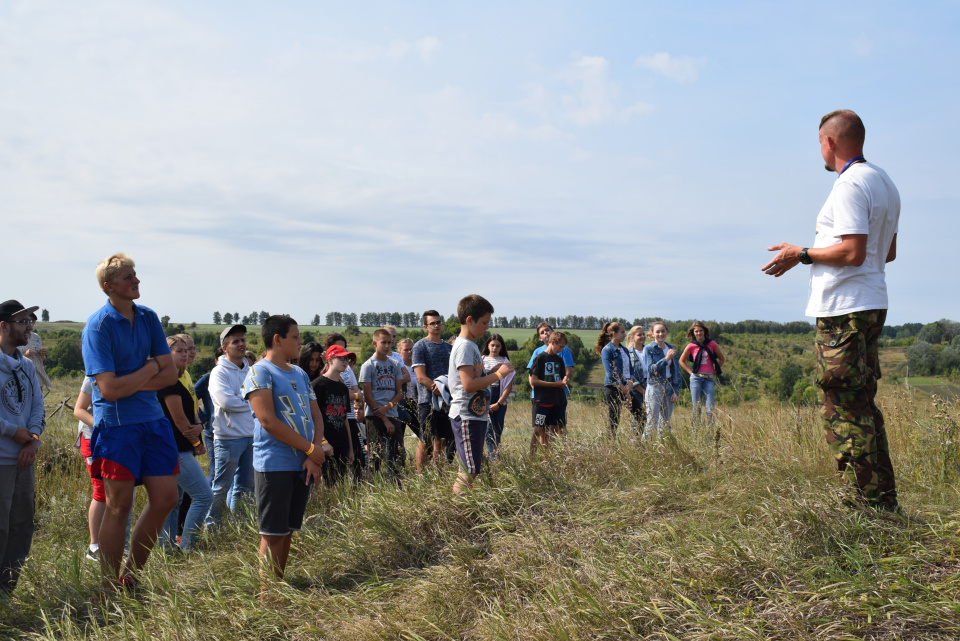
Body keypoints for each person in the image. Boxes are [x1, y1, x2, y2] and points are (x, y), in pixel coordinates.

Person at [762, 109, 901, 511]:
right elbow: (885, 252)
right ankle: (883, 501)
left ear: (830, 142)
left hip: (845, 310)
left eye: (820, 144)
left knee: (843, 408)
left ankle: (865, 506)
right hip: (872, 303)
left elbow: (854, 252)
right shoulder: (883, 181)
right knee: (863, 405)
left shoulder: (849, 184)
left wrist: (801, 253)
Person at [80, 255, 180, 590]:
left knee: (166, 498)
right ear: (109, 286)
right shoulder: (98, 327)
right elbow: (108, 390)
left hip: (152, 421)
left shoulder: (148, 317)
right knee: (119, 505)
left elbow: (171, 372)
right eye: (128, 277)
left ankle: (131, 575)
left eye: (135, 275)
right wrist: (150, 368)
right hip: (118, 427)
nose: (136, 281)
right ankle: (108, 587)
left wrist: (133, 381)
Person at [242, 315, 332, 586]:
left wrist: (313, 454)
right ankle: (267, 595)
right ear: (277, 339)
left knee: (289, 529)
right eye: (295, 336)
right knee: (272, 533)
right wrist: (310, 449)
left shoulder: (301, 374)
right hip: (274, 464)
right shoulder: (260, 371)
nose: (300, 341)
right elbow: (268, 420)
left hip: (304, 462)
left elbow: (316, 416)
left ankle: (278, 585)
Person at [447, 295, 513, 494]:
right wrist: (500, 375)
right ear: (469, 320)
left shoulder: (470, 345)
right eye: (484, 323)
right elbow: (468, 385)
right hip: (467, 416)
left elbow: (475, 377)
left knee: (467, 468)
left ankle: (460, 509)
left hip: (473, 415)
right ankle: (456, 513)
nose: (486, 328)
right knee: (469, 471)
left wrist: (493, 373)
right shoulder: (465, 346)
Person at [0, 300, 44, 595]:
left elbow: (38, 407)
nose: (29, 327)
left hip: (24, 459)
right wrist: (11, 430)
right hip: (1, 460)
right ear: (3, 326)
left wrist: (33, 439)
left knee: (21, 526)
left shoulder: (27, 365)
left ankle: (6, 592)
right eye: (22, 321)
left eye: (31, 321)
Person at [157, 337, 213, 551]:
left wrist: (198, 427)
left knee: (174, 500)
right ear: (166, 354)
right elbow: (180, 421)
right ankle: (188, 545)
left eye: (188, 349)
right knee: (203, 495)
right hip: (174, 448)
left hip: (178, 447)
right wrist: (197, 440)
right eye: (179, 350)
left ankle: (167, 548)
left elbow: (192, 410)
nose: (185, 354)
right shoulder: (168, 380)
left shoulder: (180, 377)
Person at [207, 324, 255, 527]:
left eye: (242, 340)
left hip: (251, 436)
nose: (241, 344)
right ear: (225, 348)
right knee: (221, 486)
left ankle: (240, 527)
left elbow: (260, 397)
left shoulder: (252, 370)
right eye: (235, 341)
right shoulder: (218, 373)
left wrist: (243, 400)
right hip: (228, 438)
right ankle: (212, 527)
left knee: (246, 486)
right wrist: (252, 403)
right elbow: (226, 402)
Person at [359, 329, 405, 480]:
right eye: (383, 342)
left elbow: (400, 393)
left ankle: (396, 486)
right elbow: (367, 395)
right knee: (375, 456)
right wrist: (384, 417)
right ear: (375, 343)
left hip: (392, 413)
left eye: (389, 342)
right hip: (374, 415)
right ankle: (372, 489)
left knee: (398, 454)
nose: (387, 346)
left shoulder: (395, 364)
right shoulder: (368, 365)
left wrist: (388, 407)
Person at [411, 310, 453, 472]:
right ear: (425, 326)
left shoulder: (449, 347)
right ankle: (422, 475)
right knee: (425, 438)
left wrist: (447, 393)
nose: (436, 325)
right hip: (427, 400)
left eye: (439, 322)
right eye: (432, 323)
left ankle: (438, 473)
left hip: (447, 400)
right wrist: (439, 389)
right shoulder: (420, 346)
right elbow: (420, 377)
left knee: (441, 438)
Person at [311, 345, 356, 485]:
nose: (345, 362)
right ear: (329, 359)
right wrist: (323, 442)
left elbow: (345, 419)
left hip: (341, 442)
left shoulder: (343, 388)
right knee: (325, 483)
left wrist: (350, 448)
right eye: (341, 358)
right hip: (325, 444)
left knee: (339, 484)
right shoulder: (318, 385)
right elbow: (312, 417)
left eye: (347, 359)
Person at [526, 323, 575, 448]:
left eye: (547, 330)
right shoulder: (538, 355)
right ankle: (532, 457)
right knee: (539, 429)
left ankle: (549, 455)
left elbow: (566, 373)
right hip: (541, 399)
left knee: (555, 428)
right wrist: (542, 390)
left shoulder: (560, 356)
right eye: (542, 332)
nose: (545, 333)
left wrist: (564, 382)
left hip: (557, 398)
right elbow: (532, 378)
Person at [324, 333, 366, 474]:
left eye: (346, 356)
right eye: (340, 356)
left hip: (345, 423)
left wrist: (353, 395)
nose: (345, 360)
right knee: (331, 470)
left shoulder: (345, 378)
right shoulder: (320, 381)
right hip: (327, 429)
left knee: (357, 458)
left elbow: (357, 394)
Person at [678, 322, 725, 428]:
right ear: (693, 333)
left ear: (704, 331)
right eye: (696, 331)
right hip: (696, 379)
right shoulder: (691, 346)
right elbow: (681, 361)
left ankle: (711, 432)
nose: (699, 333)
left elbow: (722, 359)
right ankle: (696, 433)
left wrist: (714, 370)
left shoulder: (712, 344)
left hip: (709, 379)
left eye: (700, 331)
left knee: (710, 408)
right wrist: (691, 373)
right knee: (697, 408)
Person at [641, 322, 680, 439]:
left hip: (669, 387)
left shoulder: (671, 348)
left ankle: (662, 449)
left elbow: (675, 371)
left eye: (663, 331)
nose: (660, 334)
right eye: (657, 331)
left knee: (665, 423)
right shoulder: (648, 349)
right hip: (655, 386)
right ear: (652, 334)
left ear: (667, 332)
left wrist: (676, 391)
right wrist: (666, 358)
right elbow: (651, 370)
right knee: (652, 422)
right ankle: (645, 448)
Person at [596, 322, 633, 438]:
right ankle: (610, 443)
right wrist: (624, 390)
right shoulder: (607, 350)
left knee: (641, 413)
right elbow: (611, 374)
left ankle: (637, 441)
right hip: (613, 387)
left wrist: (630, 385)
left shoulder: (625, 350)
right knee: (614, 418)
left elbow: (631, 370)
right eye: (622, 332)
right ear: (614, 333)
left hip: (627, 386)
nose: (625, 335)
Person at [482, 334, 514, 459]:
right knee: (488, 429)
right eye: (492, 345)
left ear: (501, 347)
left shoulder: (505, 362)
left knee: (497, 429)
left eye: (498, 346)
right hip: (485, 394)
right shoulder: (482, 360)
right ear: (488, 346)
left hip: (500, 396)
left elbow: (508, 386)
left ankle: (496, 455)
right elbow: (478, 378)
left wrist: (499, 403)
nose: (494, 348)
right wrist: (492, 371)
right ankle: (493, 459)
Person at [18, 313, 52, 393]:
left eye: (32, 321)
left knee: (38, 403)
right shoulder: (17, 337)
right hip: (23, 378)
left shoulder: (36, 337)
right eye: (27, 320)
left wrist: (42, 354)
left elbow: (42, 361)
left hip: (37, 378)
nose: (30, 323)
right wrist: (26, 355)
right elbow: (12, 359)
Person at [625, 326, 647, 435]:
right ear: (632, 338)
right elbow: (629, 374)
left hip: (651, 386)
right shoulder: (628, 354)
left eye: (643, 334)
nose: (643, 336)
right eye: (639, 335)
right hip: (635, 389)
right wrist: (641, 390)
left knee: (652, 417)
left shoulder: (650, 351)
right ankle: (636, 443)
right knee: (637, 418)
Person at [397, 338, 420, 439]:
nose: (409, 352)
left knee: (424, 435)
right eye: (406, 350)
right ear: (399, 352)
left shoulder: (418, 367)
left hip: (415, 404)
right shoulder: (398, 367)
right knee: (399, 437)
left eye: (411, 349)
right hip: (401, 404)